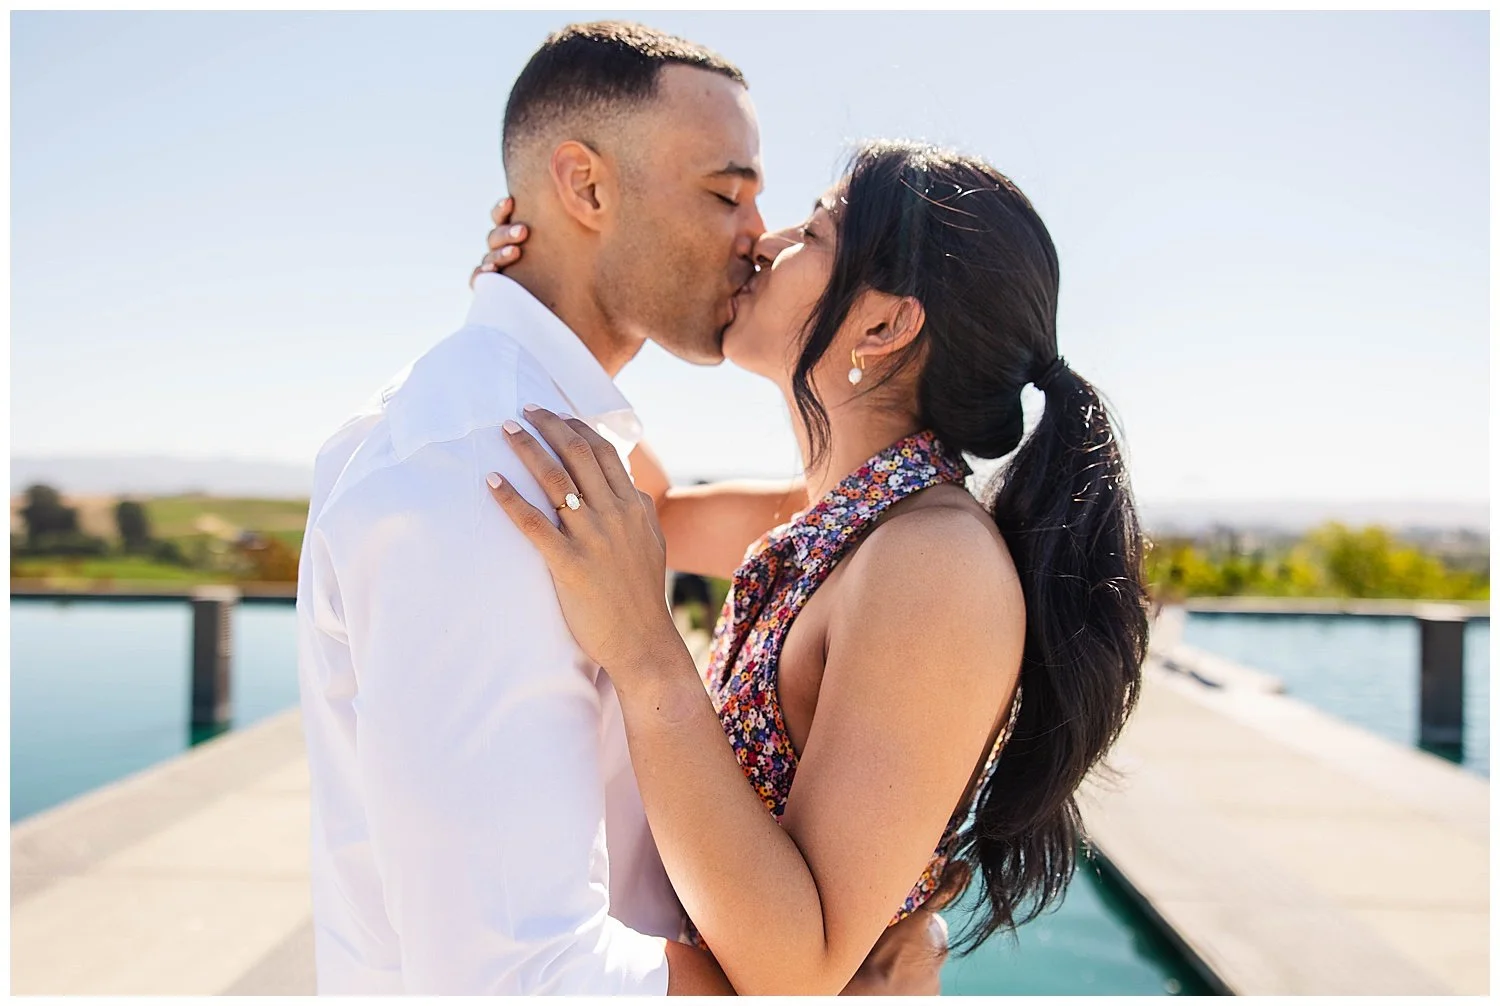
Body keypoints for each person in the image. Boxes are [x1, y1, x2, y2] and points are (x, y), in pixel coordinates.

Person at [295, 21, 944, 995]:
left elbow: (758, 512)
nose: (758, 236)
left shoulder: (537, 432)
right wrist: (830, 987)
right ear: (587, 188)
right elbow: (520, 977)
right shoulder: (493, 473)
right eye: (726, 193)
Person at [478, 140, 1151, 994]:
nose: (766, 241)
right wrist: (547, 307)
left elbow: (797, 971)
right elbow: (646, 510)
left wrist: (646, 652)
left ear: (883, 324)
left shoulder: (932, 562)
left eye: (815, 231)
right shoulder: (834, 521)